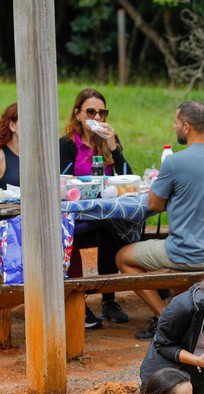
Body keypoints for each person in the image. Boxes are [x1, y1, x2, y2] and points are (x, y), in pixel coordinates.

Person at [117, 100, 204, 341]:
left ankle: (166, 319)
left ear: (187, 126)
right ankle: (181, 312)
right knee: (174, 264)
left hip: (188, 252)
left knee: (122, 257)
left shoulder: (174, 162)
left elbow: (154, 204)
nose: (174, 127)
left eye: (176, 122)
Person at [60, 88, 134, 330]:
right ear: (78, 113)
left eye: (102, 112)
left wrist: (114, 147)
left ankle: (109, 300)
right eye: (91, 111)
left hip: (103, 216)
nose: (97, 117)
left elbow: (128, 179)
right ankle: (142, 277)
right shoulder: (67, 145)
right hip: (76, 217)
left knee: (110, 224)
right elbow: (60, 180)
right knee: (115, 225)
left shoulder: (109, 140)